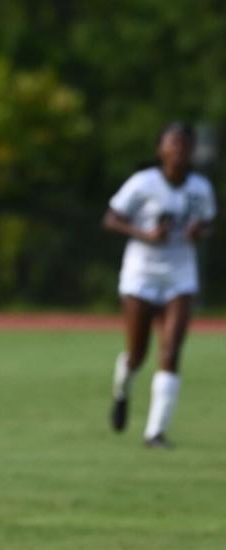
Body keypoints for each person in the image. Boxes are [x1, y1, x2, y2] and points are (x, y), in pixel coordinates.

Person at [103, 122, 216, 448]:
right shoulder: (143, 183)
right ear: (160, 149)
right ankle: (122, 392)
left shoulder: (200, 188)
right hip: (142, 274)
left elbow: (206, 222)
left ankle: (155, 432)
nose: (178, 149)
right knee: (137, 354)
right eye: (172, 143)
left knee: (170, 350)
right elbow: (111, 218)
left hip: (180, 274)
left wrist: (199, 233)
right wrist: (144, 235)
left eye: (184, 144)